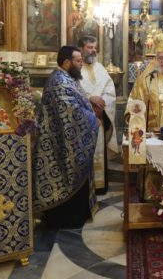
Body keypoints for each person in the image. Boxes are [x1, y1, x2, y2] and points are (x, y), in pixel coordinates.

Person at [33, 46, 99, 228]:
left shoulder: (65, 78)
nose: (81, 64)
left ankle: (76, 215)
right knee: (64, 177)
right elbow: (71, 114)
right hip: (60, 144)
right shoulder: (60, 82)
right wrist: (92, 118)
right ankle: (66, 219)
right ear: (67, 62)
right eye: (78, 61)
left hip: (64, 139)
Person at [77, 36, 117, 195]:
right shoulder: (76, 68)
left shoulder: (100, 68)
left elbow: (110, 90)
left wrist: (102, 104)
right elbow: (75, 90)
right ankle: (85, 188)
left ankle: (100, 187)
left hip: (100, 116)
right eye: (89, 47)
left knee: (99, 150)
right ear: (81, 49)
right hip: (84, 119)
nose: (93, 50)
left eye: (94, 47)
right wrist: (89, 99)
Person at [125, 33, 163, 130]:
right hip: (150, 129)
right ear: (156, 57)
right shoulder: (146, 75)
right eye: (161, 58)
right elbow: (135, 97)